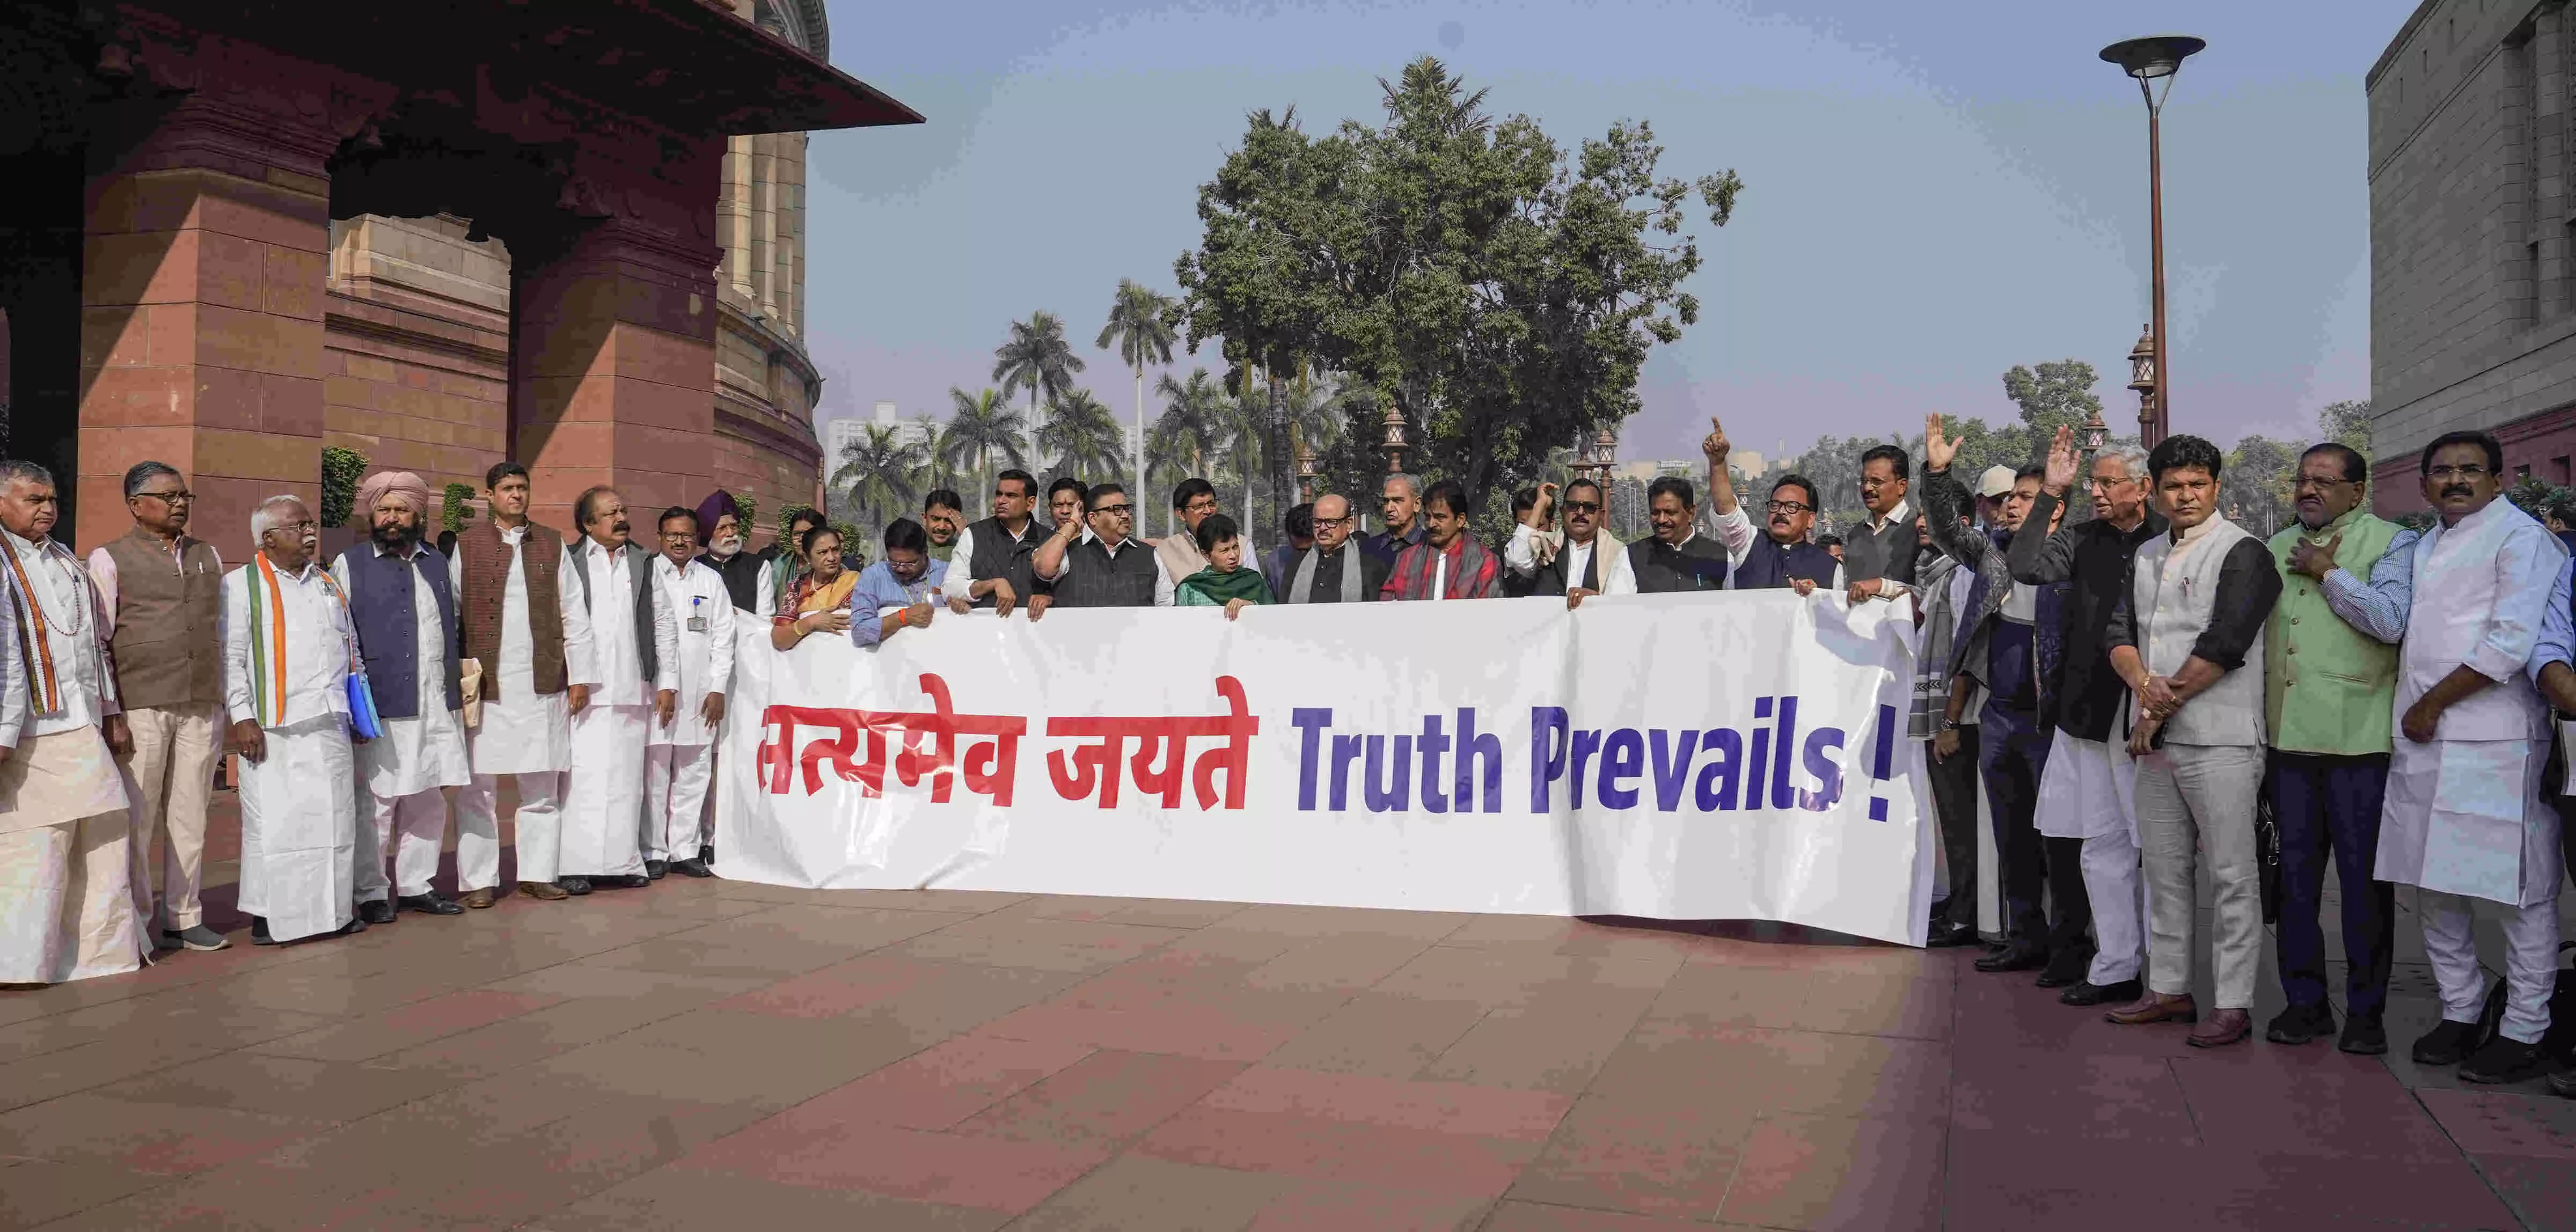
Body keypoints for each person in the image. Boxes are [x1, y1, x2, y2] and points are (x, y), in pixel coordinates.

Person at [2340, 431, 2565, 1083]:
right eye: (2442, 471)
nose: (2456, 480)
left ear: (2498, 479)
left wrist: (2433, 704)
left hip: (2496, 741)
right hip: (2423, 741)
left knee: (2520, 892)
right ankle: (2460, 1010)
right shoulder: (2427, 543)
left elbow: (2510, 643)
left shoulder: (2522, 539)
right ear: (2424, 485)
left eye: (2470, 470)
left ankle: (2525, 1027)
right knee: (2434, 884)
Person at [2104, 435, 2281, 1048]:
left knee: (2232, 875)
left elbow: (2225, 645)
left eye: (2197, 485)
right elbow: (2119, 633)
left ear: (2216, 487)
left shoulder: (2244, 552)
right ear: (2154, 491)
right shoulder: (2148, 554)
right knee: (2164, 870)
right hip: (2155, 742)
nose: (2185, 496)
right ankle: (2170, 988)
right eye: (2174, 486)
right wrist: (2142, 685)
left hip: (2221, 738)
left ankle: (2233, 1002)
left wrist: (2155, 711)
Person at [2008, 427, 2168, 993]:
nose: (2096, 492)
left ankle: (2166, 974)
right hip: (2087, 714)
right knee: (2101, 846)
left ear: (2143, 488)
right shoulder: (2080, 539)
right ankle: (2116, 966)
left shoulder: (2170, 539)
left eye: (2108, 483)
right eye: (2092, 483)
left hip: (2153, 713)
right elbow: (2025, 565)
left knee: (2156, 849)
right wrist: (2053, 492)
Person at [2262, 442, 2406, 1054]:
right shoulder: (2272, 546)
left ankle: (2367, 1013)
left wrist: (2329, 572)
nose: (2309, 490)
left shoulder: (2392, 542)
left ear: (2357, 491)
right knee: (2292, 882)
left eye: (2324, 481)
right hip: (2287, 742)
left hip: (2358, 745)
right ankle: (2305, 1004)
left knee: (2363, 886)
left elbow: (2392, 621)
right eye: (2303, 479)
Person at [1924, 420, 2073, 965]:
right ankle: (2025, 938)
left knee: (2060, 839)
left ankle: (2070, 946)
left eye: (2026, 498)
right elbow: (1946, 529)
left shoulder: (2073, 556)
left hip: (2053, 723)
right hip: (2000, 717)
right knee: (2011, 839)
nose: (2012, 506)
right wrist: (1938, 474)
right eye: (2010, 499)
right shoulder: (1992, 555)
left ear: (2054, 508)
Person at [0, 460, 146, 985]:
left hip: (80, 722)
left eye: (52, 499)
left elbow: (92, 645)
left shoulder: (64, 558)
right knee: (36, 845)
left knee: (104, 833)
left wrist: (111, 712)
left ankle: (98, 953)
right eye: (33, 499)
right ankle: (21, 962)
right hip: (27, 733)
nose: (47, 508)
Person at [87, 460, 226, 952]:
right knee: (138, 818)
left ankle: (184, 917)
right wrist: (111, 712)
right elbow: (98, 640)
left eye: (184, 495)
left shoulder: (208, 554)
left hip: (201, 702)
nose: (180, 504)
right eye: (168, 497)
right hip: (141, 704)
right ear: (136, 505)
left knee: (191, 816)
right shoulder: (109, 558)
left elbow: (222, 628)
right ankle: (135, 922)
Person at [223, 496, 365, 945]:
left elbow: (351, 649)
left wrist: (359, 712)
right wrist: (242, 716)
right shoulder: (239, 586)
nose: (310, 533)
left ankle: (333, 913)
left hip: (330, 721)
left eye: (311, 524)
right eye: (298, 526)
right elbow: (230, 658)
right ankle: (270, 917)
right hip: (272, 727)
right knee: (274, 824)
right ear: (268, 539)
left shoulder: (327, 582)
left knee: (334, 820)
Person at [334, 470, 471, 922]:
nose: (392, 518)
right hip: (382, 702)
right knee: (378, 801)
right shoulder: (350, 564)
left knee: (429, 796)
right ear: (372, 515)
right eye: (384, 510)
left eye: (401, 510)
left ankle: (417, 885)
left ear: (418, 515)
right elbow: (338, 637)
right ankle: (371, 890)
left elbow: (452, 623)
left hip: (435, 700)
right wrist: (351, 705)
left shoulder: (437, 562)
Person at [451, 463, 587, 905]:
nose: (516, 495)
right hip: (484, 684)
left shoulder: (551, 542)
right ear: (490, 495)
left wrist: (580, 676)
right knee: (478, 787)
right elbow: (452, 610)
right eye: (508, 488)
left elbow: (574, 611)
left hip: (541, 682)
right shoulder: (467, 545)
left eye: (522, 488)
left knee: (542, 785)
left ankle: (537, 874)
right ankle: (478, 881)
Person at [560, 487, 677, 892]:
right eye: (611, 513)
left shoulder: (644, 562)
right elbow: (561, 621)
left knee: (627, 781)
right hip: (584, 691)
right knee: (581, 780)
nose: (621, 518)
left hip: (631, 686)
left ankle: (623, 863)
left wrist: (667, 683)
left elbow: (664, 622)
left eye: (623, 510)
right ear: (588, 524)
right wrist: (573, 676)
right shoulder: (570, 560)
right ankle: (574, 865)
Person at [644, 507, 730, 880]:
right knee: (656, 772)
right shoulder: (646, 573)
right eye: (672, 535)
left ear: (698, 539)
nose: (679, 542)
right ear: (660, 537)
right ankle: (653, 850)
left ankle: (685, 850)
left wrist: (718, 687)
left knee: (694, 771)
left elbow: (724, 638)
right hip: (656, 690)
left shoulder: (711, 580)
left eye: (687, 535)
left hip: (700, 691)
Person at [1032, 483, 1164, 610]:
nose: (1125, 516)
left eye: (1127, 509)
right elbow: (1044, 568)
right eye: (1117, 510)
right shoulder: (1069, 551)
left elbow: (1165, 606)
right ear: (1093, 518)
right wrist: (1073, 523)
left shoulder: (1149, 554)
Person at [1507, 479, 1632, 606]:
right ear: (1562, 511)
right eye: (1573, 506)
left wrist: (1596, 599)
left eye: (1590, 507)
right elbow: (1517, 558)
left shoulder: (1617, 553)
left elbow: (1622, 604)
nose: (1581, 512)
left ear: (1601, 515)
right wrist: (1540, 504)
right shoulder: (1545, 545)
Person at [947, 469, 1043, 616]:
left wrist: (1048, 598)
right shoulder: (973, 534)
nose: (1001, 501)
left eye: (1011, 496)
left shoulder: (1049, 540)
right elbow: (950, 587)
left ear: (1030, 503)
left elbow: (1065, 591)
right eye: (999, 494)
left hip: (1036, 628)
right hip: (984, 628)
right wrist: (992, 584)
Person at [1382, 481, 1499, 600]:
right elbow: (1387, 604)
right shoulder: (1406, 559)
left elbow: (1489, 608)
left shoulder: (1484, 561)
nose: (1431, 524)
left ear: (1460, 520)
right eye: (1428, 517)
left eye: (1440, 517)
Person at [852, 518, 949, 647]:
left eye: (910, 563)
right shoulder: (872, 576)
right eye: (894, 562)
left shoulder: (947, 573)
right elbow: (859, 632)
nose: (901, 569)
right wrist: (903, 617)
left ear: (925, 553)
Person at [1842, 444, 1917, 605]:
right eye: (1864, 481)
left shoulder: (1920, 530)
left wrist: (1881, 586)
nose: (1867, 488)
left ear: (1902, 486)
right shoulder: (1856, 534)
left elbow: (1931, 592)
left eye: (1877, 482)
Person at [1285, 494, 1391, 604]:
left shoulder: (1369, 566)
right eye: (1317, 522)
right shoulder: (1297, 565)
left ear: (1349, 524)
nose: (1322, 528)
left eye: (1331, 522)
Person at [1627, 478, 1728, 592]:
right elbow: (1617, 602)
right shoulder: (1631, 557)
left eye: (1670, 513)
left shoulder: (1721, 557)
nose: (1661, 520)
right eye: (1655, 513)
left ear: (1691, 513)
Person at [771, 525, 859, 649]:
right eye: (823, 552)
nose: (831, 558)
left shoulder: (859, 583)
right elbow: (779, 640)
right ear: (807, 557)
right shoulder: (798, 586)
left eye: (836, 550)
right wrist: (811, 622)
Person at [693, 490, 775, 618]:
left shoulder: (758, 566)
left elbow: (765, 617)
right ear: (708, 534)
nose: (730, 533)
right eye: (722, 528)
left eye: (734, 526)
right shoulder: (695, 568)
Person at [1177, 514, 1274, 618]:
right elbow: (1182, 625)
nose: (1233, 556)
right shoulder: (1190, 589)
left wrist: (1251, 607)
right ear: (1206, 555)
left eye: (1235, 547)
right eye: (1225, 550)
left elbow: (1273, 617)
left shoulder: (1254, 581)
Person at [1154, 478, 1221, 589]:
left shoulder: (1241, 545)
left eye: (1211, 504)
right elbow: (1164, 597)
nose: (1208, 511)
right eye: (1199, 507)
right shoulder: (1164, 551)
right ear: (1181, 514)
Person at [1362, 473, 1425, 566]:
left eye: (1398, 501)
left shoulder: (1432, 546)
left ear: (1416, 505)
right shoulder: (1368, 549)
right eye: (1386, 501)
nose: (1389, 508)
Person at [1264, 503, 1314, 602]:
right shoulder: (1275, 562)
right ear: (1288, 534)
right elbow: (1268, 602)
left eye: (1308, 550)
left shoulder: (1337, 560)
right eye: (1298, 550)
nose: (1303, 556)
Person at [921, 490, 965, 563]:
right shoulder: (910, 549)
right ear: (925, 519)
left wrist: (966, 534)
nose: (942, 527)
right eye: (936, 519)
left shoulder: (965, 550)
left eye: (949, 520)